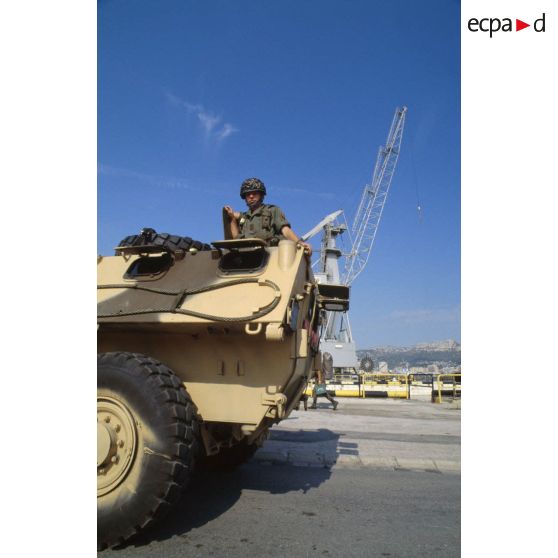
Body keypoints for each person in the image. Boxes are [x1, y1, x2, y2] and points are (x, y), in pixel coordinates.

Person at [223, 177, 312, 255]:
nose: (251, 196)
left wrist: (299, 243)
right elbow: (235, 239)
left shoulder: (272, 210)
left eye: (254, 193)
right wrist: (232, 217)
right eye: (248, 194)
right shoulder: (244, 217)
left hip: (269, 255)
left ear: (261, 195)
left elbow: (285, 230)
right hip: (246, 257)